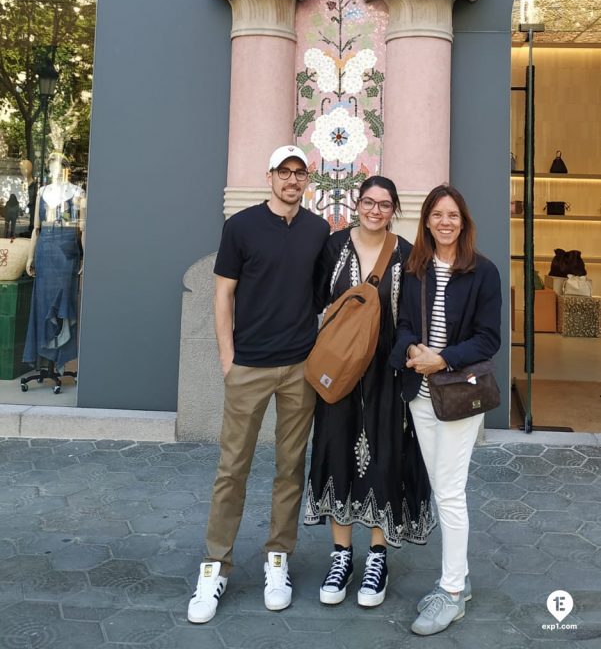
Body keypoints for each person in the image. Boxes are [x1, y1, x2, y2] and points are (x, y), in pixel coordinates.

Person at [188, 145, 330, 625]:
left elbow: (319, 298)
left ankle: (278, 560)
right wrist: (228, 359)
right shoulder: (241, 227)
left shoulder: (318, 230)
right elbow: (223, 293)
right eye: (284, 172)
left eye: (300, 173)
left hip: (299, 369)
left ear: (307, 181)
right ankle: (215, 565)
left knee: (291, 468)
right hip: (248, 366)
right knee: (233, 468)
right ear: (269, 176)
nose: (292, 180)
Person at [305, 176, 435, 609]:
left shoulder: (407, 254)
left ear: (394, 209)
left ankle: (377, 556)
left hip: (387, 372)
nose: (375, 210)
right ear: (356, 204)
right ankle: (341, 556)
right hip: (341, 373)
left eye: (384, 204)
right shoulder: (333, 246)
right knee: (336, 451)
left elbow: (414, 315)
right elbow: (316, 301)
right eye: (368, 202)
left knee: (383, 456)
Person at [389, 184, 501, 637]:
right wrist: (412, 349)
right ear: (427, 222)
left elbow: (488, 338)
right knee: (442, 488)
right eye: (437, 214)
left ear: (464, 221)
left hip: (458, 393)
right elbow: (401, 328)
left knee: (449, 492)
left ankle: (452, 591)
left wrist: (444, 357)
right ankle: (460, 577)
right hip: (420, 391)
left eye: (453, 214)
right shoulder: (413, 268)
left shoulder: (483, 272)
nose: (445, 222)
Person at [24, 153, 85, 370]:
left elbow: (82, 228)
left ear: (65, 168)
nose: (52, 171)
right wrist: (30, 256)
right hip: (45, 251)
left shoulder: (78, 193)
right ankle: (47, 359)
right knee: (43, 303)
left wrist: (83, 256)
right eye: (50, 167)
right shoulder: (42, 192)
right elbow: (36, 229)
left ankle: (60, 356)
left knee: (62, 303)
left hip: (66, 250)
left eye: (56, 166)